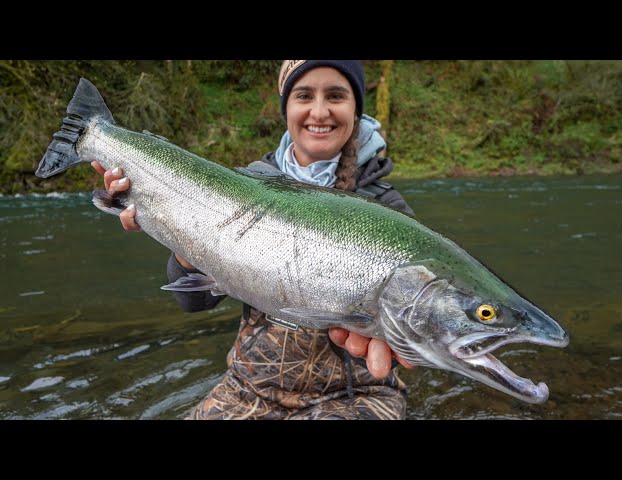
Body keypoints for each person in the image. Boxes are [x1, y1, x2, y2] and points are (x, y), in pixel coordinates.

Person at [92, 60, 416, 419]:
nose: (319, 111)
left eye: (337, 95)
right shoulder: (245, 186)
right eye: (304, 95)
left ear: (356, 109)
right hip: (249, 388)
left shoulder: (386, 210)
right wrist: (165, 219)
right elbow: (193, 301)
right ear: (286, 107)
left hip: (357, 395)